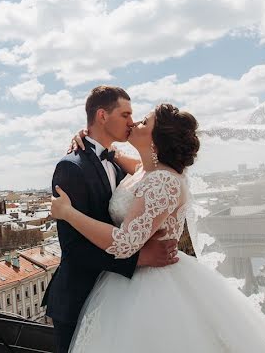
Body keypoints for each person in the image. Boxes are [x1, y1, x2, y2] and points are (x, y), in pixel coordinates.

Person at [52, 103, 265, 352]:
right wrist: (87, 138)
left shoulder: (163, 181)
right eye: (131, 117)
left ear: (157, 141)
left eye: (144, 122)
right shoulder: (144, 171)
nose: (134, 123)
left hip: (150, 287)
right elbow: (114, 157)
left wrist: (68, 213)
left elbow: (124, 242)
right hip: (125, 281)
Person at [44, 86, 181, 353]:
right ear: (102, 116)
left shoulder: (121, 164)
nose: (131, 121)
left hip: (119, 296)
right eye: (126, 114)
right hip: (79, 297)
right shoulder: (71, 167)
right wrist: (138, 258)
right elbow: (73, 248)